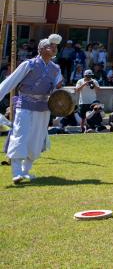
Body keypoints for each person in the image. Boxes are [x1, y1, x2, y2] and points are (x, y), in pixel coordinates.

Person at [0, 34, 64, 184]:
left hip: (43, 107)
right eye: (50, 46)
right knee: (20, 135)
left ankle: (25, 171)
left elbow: (58, 88)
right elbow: (11, 81)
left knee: (36, 139)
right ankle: (16, 172)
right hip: (25, 105)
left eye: (55, 47)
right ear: (41, 49)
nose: (54, 49)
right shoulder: (29, 64)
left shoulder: (56, 69)